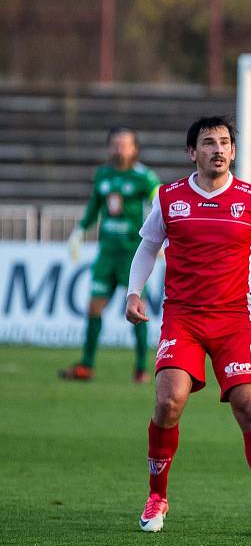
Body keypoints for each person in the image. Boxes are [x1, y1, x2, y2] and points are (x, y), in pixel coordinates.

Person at [124, 116, 251, 538]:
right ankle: (157, 496)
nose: (218, 150)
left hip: (234, 322)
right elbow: (148, 246)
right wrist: (134, 292)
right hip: (182, 318)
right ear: (192, 152)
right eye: (208, 143)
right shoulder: (168, 198)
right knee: (168, 403)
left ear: (233, 152)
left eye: (224, 143)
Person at [59, 127, 160, 383]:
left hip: (131, 254)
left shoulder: (143, 177)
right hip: (106, 254)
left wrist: (161, 238)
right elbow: (95, 205)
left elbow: (160, 198)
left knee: (137, 309)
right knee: (94, 306)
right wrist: (79, 231)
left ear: (134, 149)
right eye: (115, 144)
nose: (119, 149)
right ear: (109, 147)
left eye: (125, 144)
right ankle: (87, 365)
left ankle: (141, 368)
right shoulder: (102, 174)